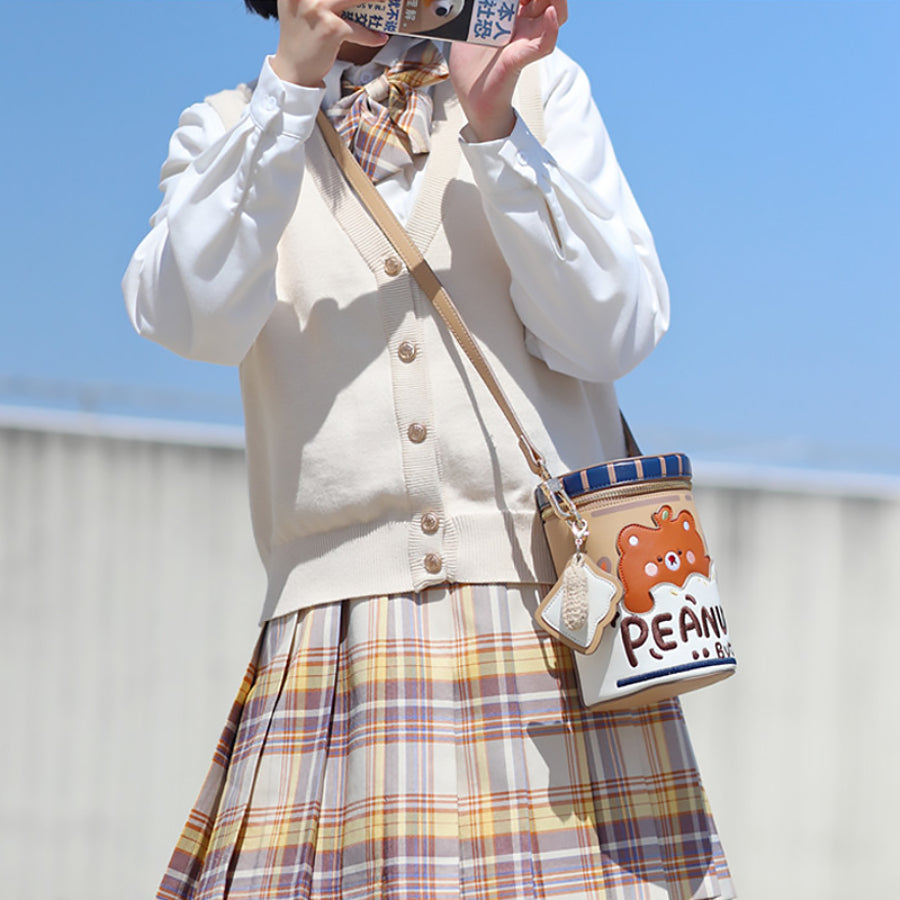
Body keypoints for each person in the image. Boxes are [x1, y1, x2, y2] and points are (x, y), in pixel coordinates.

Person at [123, 1, 735, 897]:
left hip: (553, 631)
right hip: (342, 657)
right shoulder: (230, 127)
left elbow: (614, 333)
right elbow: (189, 317)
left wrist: (496, 130)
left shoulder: (540, 91)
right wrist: (289, 91)